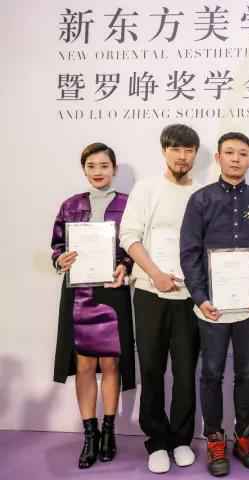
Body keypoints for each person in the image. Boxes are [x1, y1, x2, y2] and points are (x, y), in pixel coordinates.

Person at [179, 132, 249, 477]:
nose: (235, 159)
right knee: (212, 373)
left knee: (247, 373)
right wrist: (200, 297)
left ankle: (244, 436)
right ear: (218, 158)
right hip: (212, 308)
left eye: (242, 154)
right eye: (229, 153)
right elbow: (189, 253)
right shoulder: (200, 200)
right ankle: (215, 438)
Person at [119, 124, 201, 474]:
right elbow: (129, 236)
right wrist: (154, 273)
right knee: (151, 368)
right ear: (164, 151)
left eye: (188, 150)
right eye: (176, 149)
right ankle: (156, 441)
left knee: (185, 370)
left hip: (189, 296)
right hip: (150, 292)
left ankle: (181, 439)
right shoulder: (146, 188)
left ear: (195, 154)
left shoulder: (201, 193)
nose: (182, 156)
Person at [51, 142, 135, 469]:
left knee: (111, 364)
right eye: (91, 166)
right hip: (79, 294)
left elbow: (135, 245)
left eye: (104, 165)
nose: (98, 172)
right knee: (84, 365)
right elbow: (57, 246)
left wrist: (125, 265)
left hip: (112, 291)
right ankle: (90, 434)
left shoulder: (129, 204)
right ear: (84, 169)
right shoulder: (70, 205)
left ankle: (109, 431)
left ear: (114, 169)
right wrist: (60, 259)